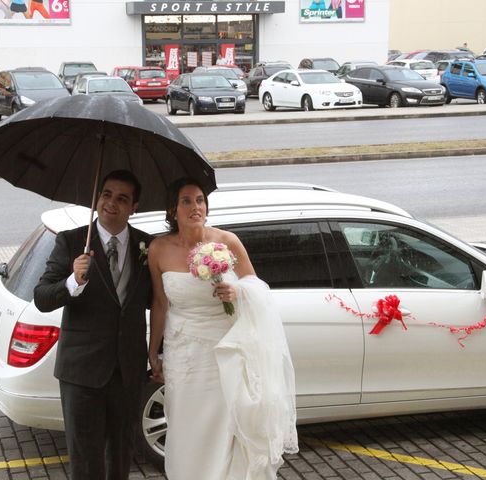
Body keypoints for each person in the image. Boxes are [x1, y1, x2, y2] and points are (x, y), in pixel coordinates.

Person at [148, 178, 298, 480]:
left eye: (200, 200)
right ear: (172, 209)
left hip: (224, 350)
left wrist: (236, 292)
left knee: (227, 423)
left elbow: (258, 288)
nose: (195, 207)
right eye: (186, 201)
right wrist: (154, 351)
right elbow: (161, 304)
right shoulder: (158, 249)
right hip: (183, 356)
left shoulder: (226, 241)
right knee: (187, 425)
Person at [34, 170, 153, 480]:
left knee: (122, 457)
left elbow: (162, 302)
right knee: (86, 463)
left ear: (134, 206)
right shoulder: (72, 241)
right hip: (82, 372)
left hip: (128, 371)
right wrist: (73, 280)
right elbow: (42, 298)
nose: (111, 203)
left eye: (122, 198)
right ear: (97, 197)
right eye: (106, 194)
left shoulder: (147, 247)